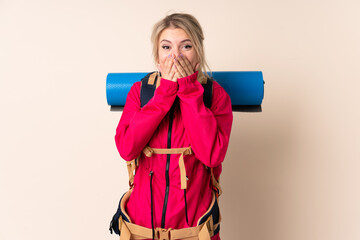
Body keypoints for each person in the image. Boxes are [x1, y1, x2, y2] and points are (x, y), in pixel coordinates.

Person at [115, 13, 233, 240]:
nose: (176, 56)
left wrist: (189, 91)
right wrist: (164, 94)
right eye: (167, 47)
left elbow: (211, 156)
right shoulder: (140, 92)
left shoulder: (215, 96)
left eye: (186, 46)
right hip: (140, 231)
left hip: (196, 231)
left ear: (198, 52)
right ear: (157, 57)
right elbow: (127, 148)